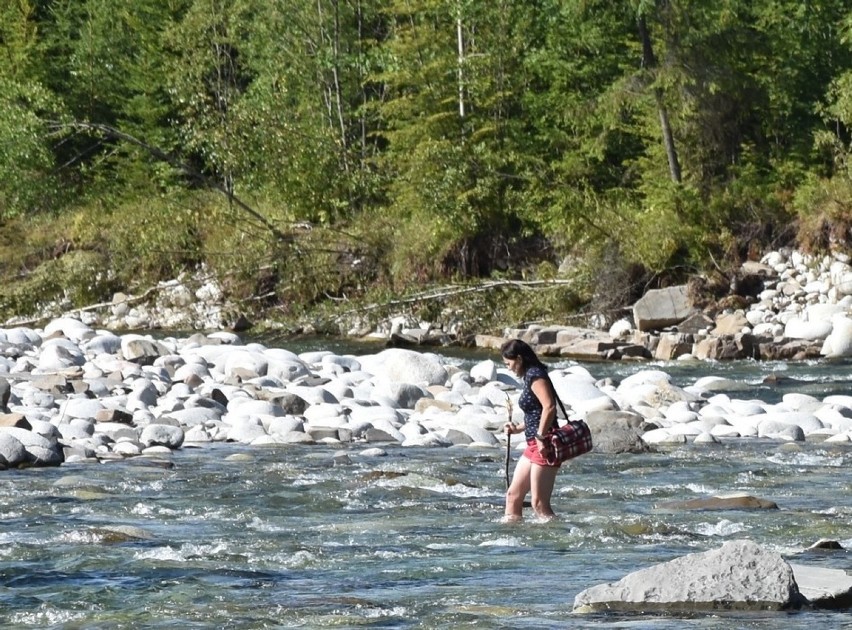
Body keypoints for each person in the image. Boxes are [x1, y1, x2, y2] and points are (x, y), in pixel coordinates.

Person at [501, 338, 560, 521]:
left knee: (539, 504)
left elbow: (549, 407)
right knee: (513, 497)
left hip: (545, 444)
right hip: (534, 443)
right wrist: (518, 428)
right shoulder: (529, 375)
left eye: (509, 363)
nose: (509, 368)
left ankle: (561, 539)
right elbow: (537, 412)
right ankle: (512, 544)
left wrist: (541, 437)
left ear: (519, 359)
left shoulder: (536, 375)